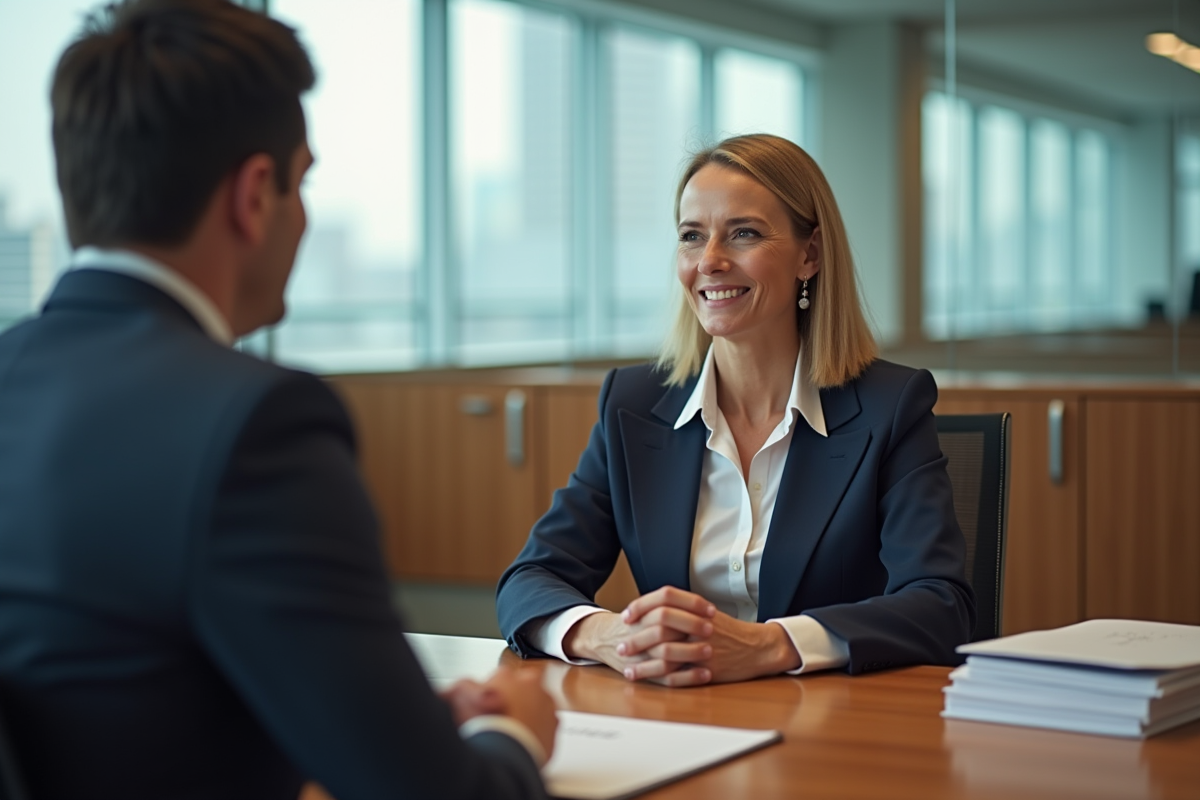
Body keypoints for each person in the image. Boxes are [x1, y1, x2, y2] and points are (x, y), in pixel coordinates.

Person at [0, 1, 556, 798]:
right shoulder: (252, 425)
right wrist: (514, 735)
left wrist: (382, 722)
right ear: (256, 194)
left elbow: (114, 686)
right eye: (305, 181)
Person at [497, 134, 976, 686]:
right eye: (692, 236)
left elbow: (941, 606)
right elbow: (529, 580)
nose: (710, 261)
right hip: (678, 712)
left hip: (828, 718)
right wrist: (609, 635)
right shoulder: (632, 404)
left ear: (810, 255)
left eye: (743, 233)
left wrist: (770, 645)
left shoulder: (890, 406)